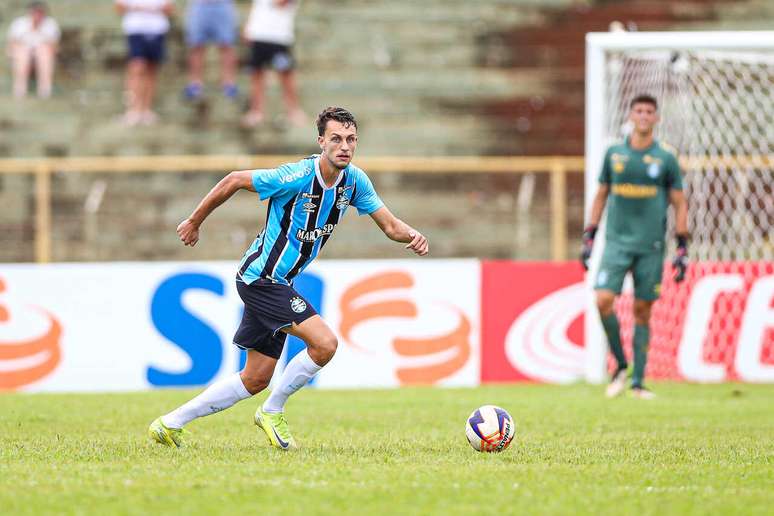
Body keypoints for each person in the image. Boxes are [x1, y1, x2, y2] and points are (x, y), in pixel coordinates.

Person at [148, 107, 429, 449]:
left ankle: (169, 424)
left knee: (255, 378)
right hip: (261, 279)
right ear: (321, 141)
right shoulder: (296, 176)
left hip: (278, 283)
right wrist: (194, 222)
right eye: (336, 139)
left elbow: (390, 226)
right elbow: (234, 179)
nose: (345, 146)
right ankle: (272, 411)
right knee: (324, 344)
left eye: (351, 139)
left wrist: (412, 235)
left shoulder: (355, 182)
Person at [581, 94, 688, 400]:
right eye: (638, 110)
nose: (643, 115)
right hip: (616, 243)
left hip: (650, 245)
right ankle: (620, 365)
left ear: (657, 118)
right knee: (603, 300)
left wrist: (682, 246)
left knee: (642, 310)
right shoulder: (614, 154)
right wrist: (590, 235)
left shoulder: (666, 157)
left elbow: (679, 202)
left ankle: (638, 382)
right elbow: (601, 194)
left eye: (649, 111)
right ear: (630, 115)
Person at [241, 0, 306, 128]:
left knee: (286, 76)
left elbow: (280, 3)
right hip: (258, 35)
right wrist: (249, 28)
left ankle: (294, 111)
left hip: (279, 37)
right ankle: (256, 112)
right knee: (257, 75)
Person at [116, 0, 174, 126]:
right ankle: (133, 110)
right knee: (137, 67)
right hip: (135, 30)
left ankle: (146, 110)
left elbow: (169, 9)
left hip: (157, 30)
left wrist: (140, 8)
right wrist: (148, 9)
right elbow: (119, 8)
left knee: (151, 70)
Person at [183, 0, 239, 100]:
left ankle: (229, 84)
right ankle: (195, 84)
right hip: (200, 4)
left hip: (223, 4)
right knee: (196, 45)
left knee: (227, 45)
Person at [7, 1, 60, 99]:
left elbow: (54, 46)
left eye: (40, 12)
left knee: (44, 53)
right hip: (22, 54)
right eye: (35, 12)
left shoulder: (50, 24)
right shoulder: (19, 23)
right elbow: (12, 44)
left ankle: (45, 91)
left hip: (43, 54)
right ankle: (20, 91)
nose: (37, 15)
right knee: (23, 54)